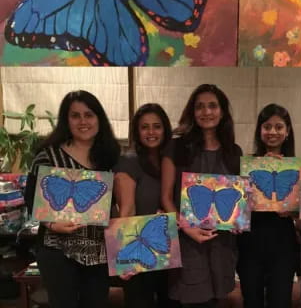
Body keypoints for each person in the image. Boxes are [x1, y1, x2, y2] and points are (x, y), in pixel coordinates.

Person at [24, 90, 120, 308]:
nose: (83, 121)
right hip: (57, 250)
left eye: (89, 115)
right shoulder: (48, 156)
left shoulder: (111, 156)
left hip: (98, 250)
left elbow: (118, 202)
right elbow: (30, 198)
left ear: (99, 119)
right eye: (75, 116)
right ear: (66, 121)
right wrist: (51, 223)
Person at [161, 84, 243, 308]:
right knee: (194, 300)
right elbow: (166, 198)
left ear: (223, 111)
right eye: (200, 107)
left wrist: (237, 219)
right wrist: (187, 228)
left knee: (218, 299)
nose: (207, 112)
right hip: (188, 241)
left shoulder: (234, 152)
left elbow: (237, 198)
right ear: (192, 112)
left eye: (212, 106)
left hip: (222, 243)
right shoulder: (176, 147)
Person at [113, 103, 178, 308]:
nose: (151, 132)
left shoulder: (172, 160)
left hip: (169, 248)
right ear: (137, 131)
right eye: (145, 127)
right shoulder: (129, 161)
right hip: (139, 250)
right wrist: (123, 256)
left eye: (157, 126)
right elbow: (126, 209)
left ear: (165, 129)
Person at [237, 103, 299, 308]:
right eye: (267, 126)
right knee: (251, 300)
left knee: (280, 301)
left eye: (279, 127)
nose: (273, 132)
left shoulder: (299, 167)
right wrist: (260, 166)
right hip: (250, 243)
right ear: (259, 131)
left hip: (283, 243)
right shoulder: (246, 164)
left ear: (287, 131)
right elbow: (237, 206)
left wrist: (293, 211)